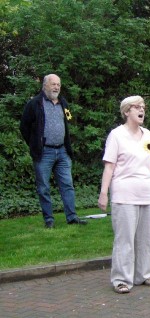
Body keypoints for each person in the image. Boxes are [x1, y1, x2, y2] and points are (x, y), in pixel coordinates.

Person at [98, 96, 150, 294]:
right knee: (125, 239)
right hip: (124, 194)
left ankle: (145, 274)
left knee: (146, 238)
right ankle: (121, 279)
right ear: (126, 111)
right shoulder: (116, 135)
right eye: (137, 107)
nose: (142, 110)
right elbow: (109, 166)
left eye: (143, 107)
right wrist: (103, 193)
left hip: (147, 193)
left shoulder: (147, 134)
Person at [19, 74, 87, 228]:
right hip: (44, 153)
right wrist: (35, 144)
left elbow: (69, 121)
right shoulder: (35, 104)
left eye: (58, 84)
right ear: (45, 86)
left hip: (62, 151)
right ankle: (49, 220)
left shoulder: (63, 103)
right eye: (53, 84)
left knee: (67, 185)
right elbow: (24, 127)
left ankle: (72, 217)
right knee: (44, 187)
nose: (56, 87)